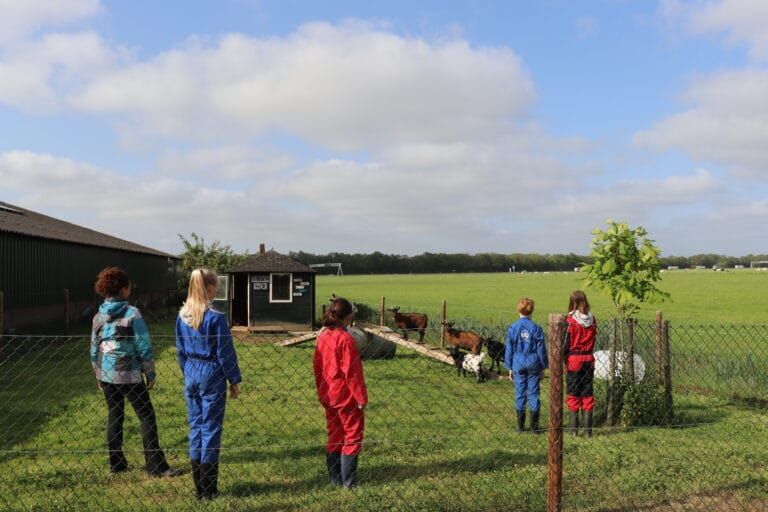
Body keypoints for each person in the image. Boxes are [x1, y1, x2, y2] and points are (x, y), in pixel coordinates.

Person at [90, 266, 182, 477]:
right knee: (146, 416)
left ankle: (117, 464)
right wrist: (150, 373)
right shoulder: (133, 313)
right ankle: (156, 466)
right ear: (123, 289)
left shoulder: (98, 317)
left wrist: (98, 373)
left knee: (115, 414)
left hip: (107, 375)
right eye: (128, 286)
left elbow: (94, 348)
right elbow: (144, 346)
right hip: (130, 374)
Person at [175, 269, 242, 500]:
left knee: (195, 427)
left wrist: (188, 373)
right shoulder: (215, 317)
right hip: (211, 372)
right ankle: (209, 489)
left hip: (192, 371)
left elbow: (180, 350)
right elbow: (225, 352)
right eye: (215, 288)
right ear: (210, 288)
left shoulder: (182, 315)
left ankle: (198, 489)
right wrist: (233, 379)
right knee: (211, 429)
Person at [314, 297, 368, 489]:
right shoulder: (346, 339)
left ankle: (335, 480)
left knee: (335, 435)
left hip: (328, 392)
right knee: (352, 435)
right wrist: (361, 398)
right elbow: (352, 373)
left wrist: (320, 390)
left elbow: (317, 367)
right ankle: (349, 483)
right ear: (348, 317)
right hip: (346, 395)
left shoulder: (323, 336)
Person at [505, 298, 548, 434]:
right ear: (532, 311)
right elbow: (541, 349)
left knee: (520, 393)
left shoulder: (513, 328)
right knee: (534, 393)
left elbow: (509, 349)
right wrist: (544, 365)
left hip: (518, 362)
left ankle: (520, 428)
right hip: (534, 361)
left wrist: (509, 366)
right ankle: (535, 428)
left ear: (518, 310)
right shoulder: (536, 328)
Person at [564, 290, 597, 438]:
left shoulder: (570, 321)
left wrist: (562, 357)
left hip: (574, 360)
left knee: (573, 393)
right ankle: (588, 432)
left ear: (573, 302)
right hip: (588, 359)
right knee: (587, 393)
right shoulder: (592, 319)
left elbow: (565, 344)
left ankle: (573, 431)